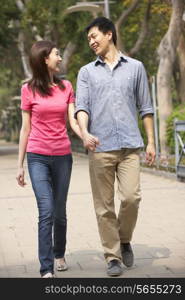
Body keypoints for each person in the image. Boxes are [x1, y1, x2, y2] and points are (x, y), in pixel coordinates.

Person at [75, 17, 156, 277]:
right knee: (104, 206)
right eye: (88, 39)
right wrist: (85, 132)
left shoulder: (136, 68)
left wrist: (151, 142)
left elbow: (146, 108)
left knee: (132, 198)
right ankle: (112, 256)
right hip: (100, 147)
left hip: (130, 146)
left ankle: (124, 239)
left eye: (94, 36)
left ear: (109, 34)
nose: (91, 42)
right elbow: (82, 107)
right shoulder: (86, 72)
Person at [16, 40, 82, 278]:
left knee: (59, 211)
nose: (60, 58)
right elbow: (26, 129)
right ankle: (46, 268)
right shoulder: (28, 89)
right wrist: (20, 165)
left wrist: (85, 135)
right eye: (57, 54)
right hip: (37, 158)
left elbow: (73, 120)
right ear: (44, 59)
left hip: (63, 156)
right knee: (46, 210)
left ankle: (59, 252)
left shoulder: (66, 86)